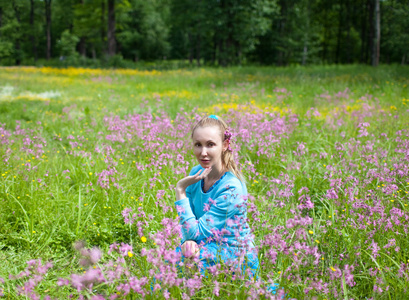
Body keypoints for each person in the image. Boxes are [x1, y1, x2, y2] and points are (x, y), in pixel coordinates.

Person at [174, 115, 258, 278]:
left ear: (225, 145)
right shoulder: (196, 174)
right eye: (198, 145)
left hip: (233, 255)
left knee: (184, 263)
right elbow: (188, 224)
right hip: (205, 244)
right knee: (179, 257)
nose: (203, 152)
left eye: (210, 144)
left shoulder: (231, 187)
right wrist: (187, 242)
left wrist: (180, 190)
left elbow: (195, 232)